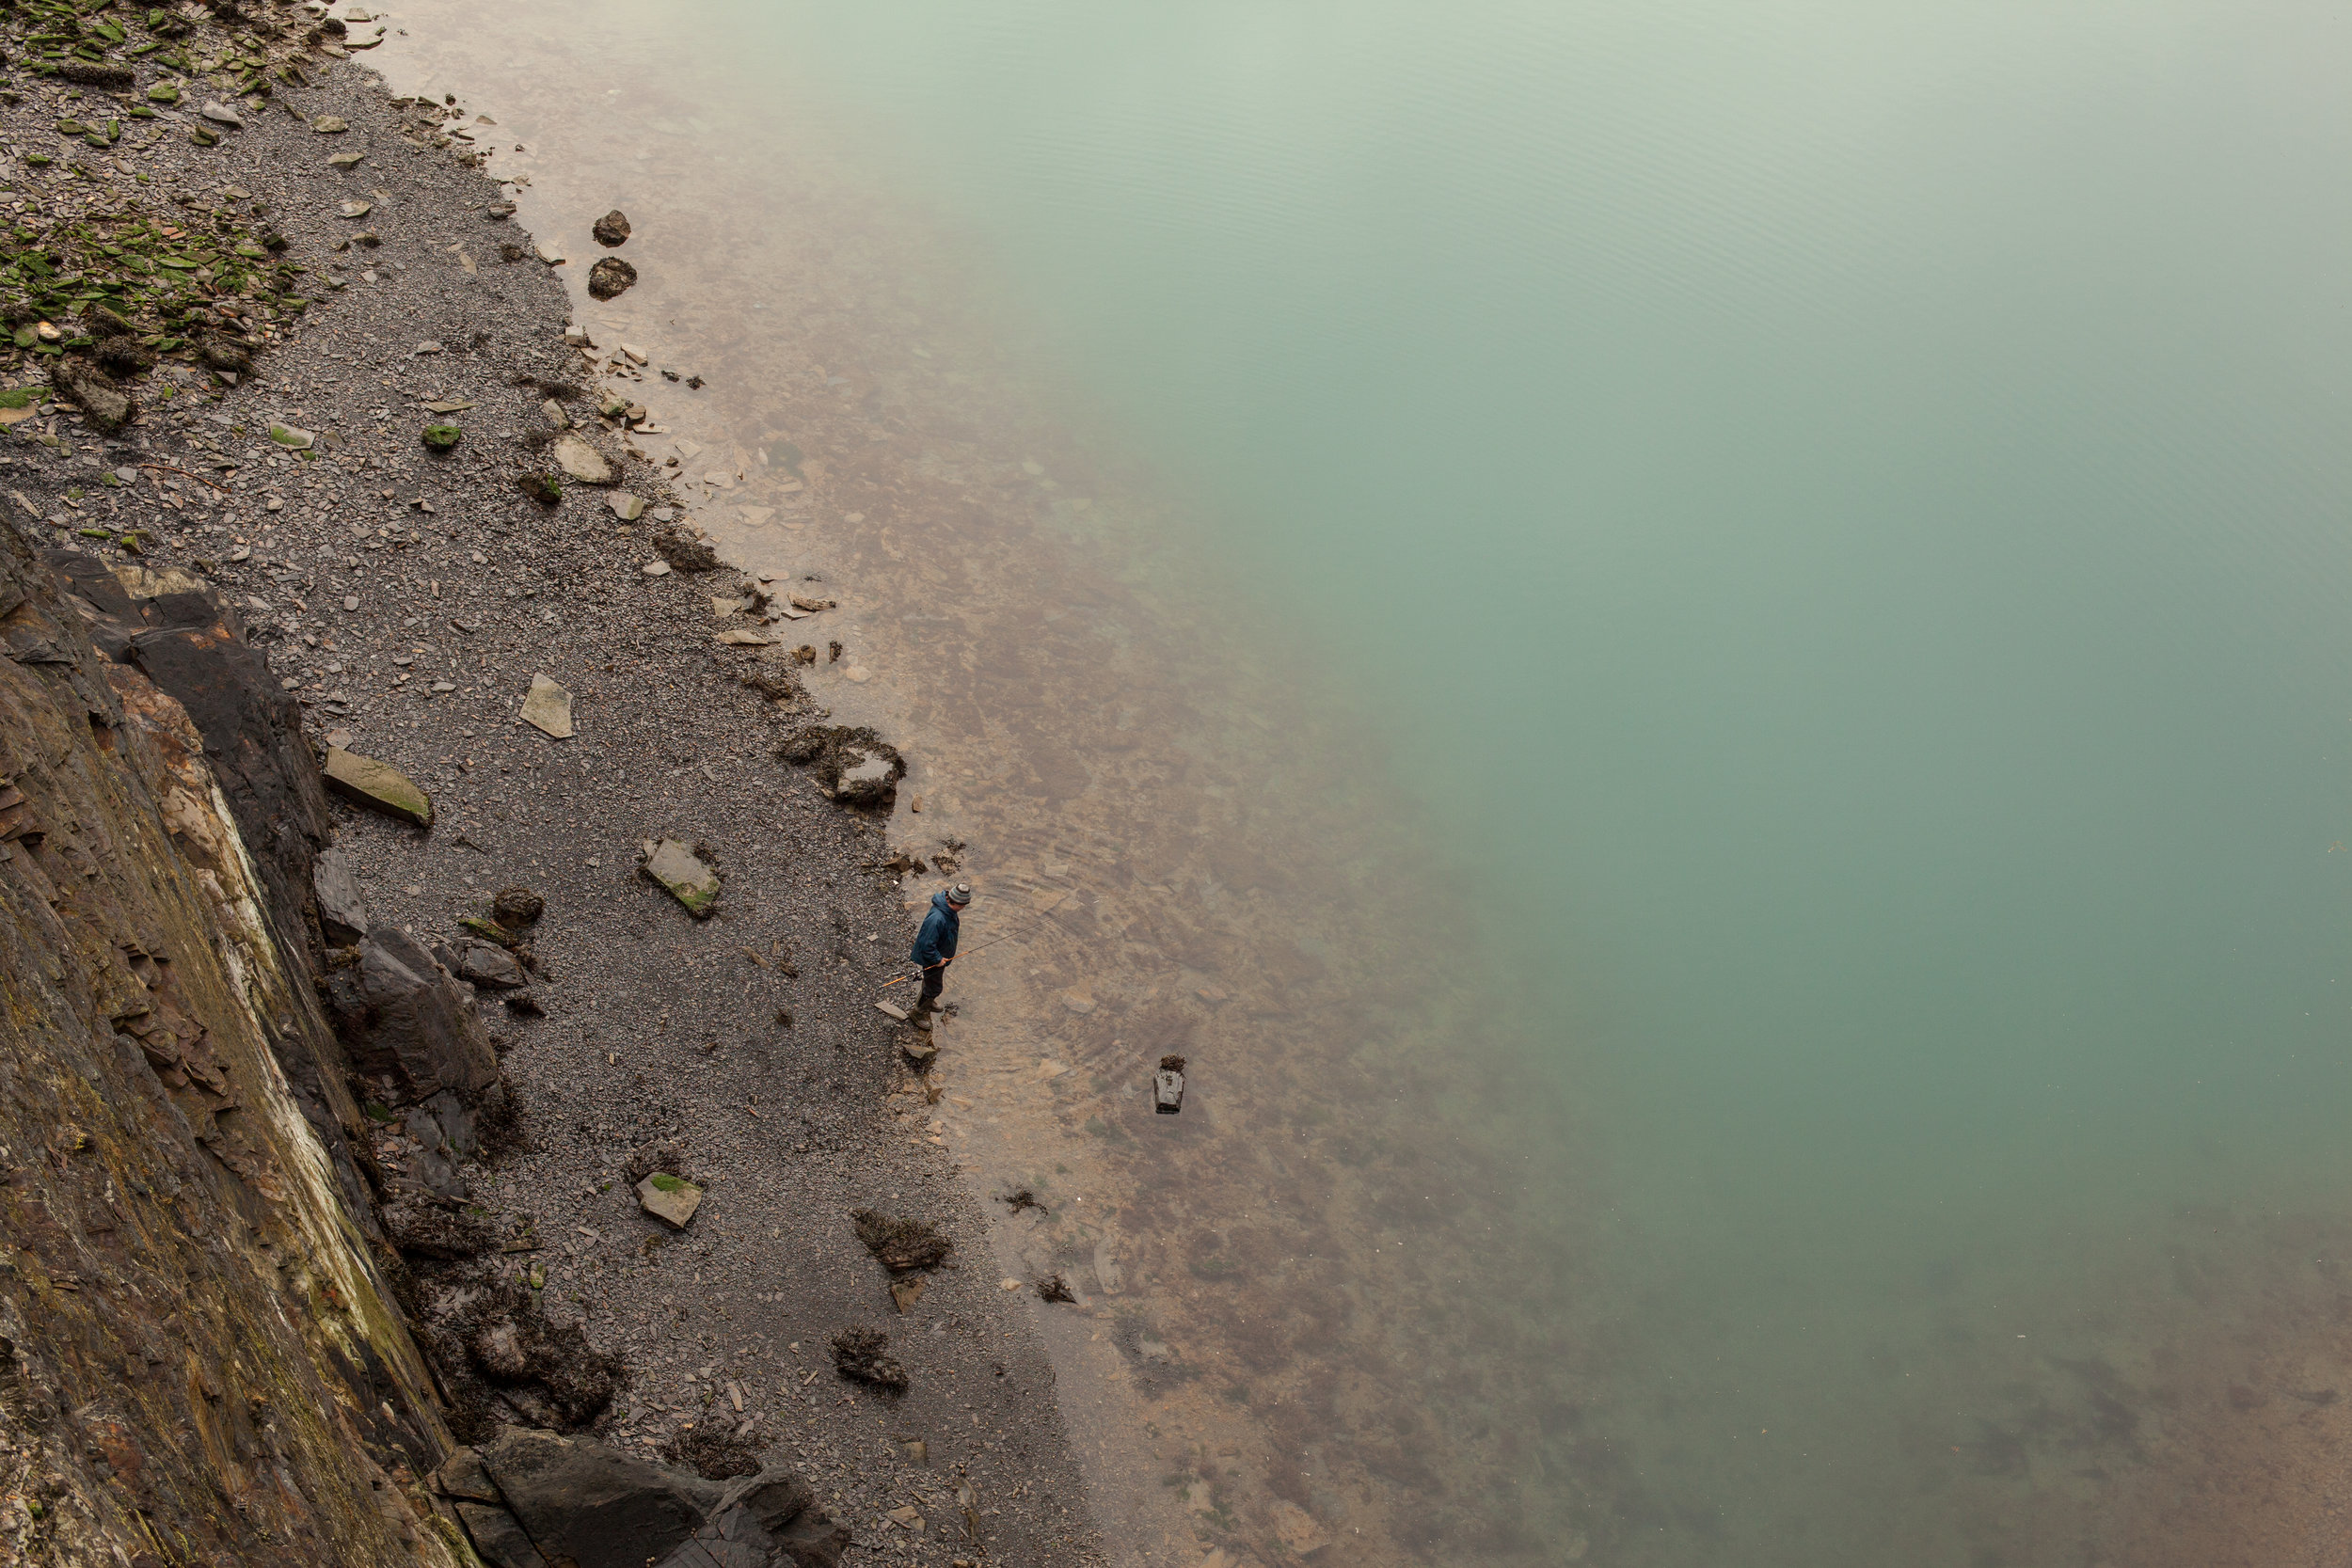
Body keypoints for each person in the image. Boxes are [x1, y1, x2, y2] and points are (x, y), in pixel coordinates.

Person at [908, 882, 972, 1029]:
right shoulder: (937, 919)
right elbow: (926, 945)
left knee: (930, 982)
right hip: (933, 959)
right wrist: (937, 959)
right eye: (963, 905)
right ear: (956, 902)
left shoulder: (948, 911)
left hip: (939, 957)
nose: (964, 908)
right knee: (935, 988)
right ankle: (917, 1013)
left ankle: (927, 1002)